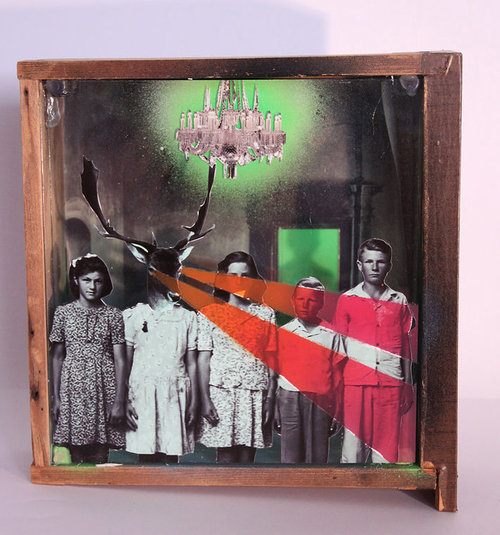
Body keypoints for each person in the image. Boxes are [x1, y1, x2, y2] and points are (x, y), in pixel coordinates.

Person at [334, 238, 414, 463]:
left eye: (380, 262)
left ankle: (383, 483)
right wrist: (337, 390)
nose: (375, 267)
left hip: (390, 384)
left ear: (389, 265)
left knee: (386, 451)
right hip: (355, 384)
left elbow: (405, 346)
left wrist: (408, 385)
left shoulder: (399, 300)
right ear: (360, 265)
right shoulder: (347, 300)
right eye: (369, 261)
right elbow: (338, 349)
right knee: (353, 450)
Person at [197, 251, 277, 463]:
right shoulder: (209, 313)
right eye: (233, 275)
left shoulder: (265, 314)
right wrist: (205, 399)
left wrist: (270, 400)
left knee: (247, 460)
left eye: (245, 275)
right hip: (222, 393)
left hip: (253, 394)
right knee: (225, 458)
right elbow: (203, 361)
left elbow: (272, 361)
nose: (239, 281)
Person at [50, 254, 127, 464]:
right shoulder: (63, 313)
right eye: (86, 280)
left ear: (104, 282)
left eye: (98, 281)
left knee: (100, 451)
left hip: (104, 387)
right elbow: (57, 357)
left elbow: (120, 360)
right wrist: (56, 397)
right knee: (75, 451)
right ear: (76, 280)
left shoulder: (113, 315)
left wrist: (119, 401)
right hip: (73, 388)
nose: (92, 286)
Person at [123, 266, 198, 464]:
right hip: (143, 395)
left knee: (170, 454)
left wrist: (194, 401)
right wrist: (124, 399)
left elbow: (191, 363)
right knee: (146, 453)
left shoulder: (187, 318)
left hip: (174, 394)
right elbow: (125, 362)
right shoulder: (134, 316)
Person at [275, 277, 343, 464]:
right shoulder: (284, 332)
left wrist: (339, 410)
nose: (305, 304)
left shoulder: (332, 335)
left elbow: (339, 375)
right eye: (301, 299)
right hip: (289, 398)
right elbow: (276, 374)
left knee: (317, 457)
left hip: (321, 400)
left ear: (321, 303)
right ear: (293, 301)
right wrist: (275, 408)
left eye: (312, 300)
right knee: (290, 457)